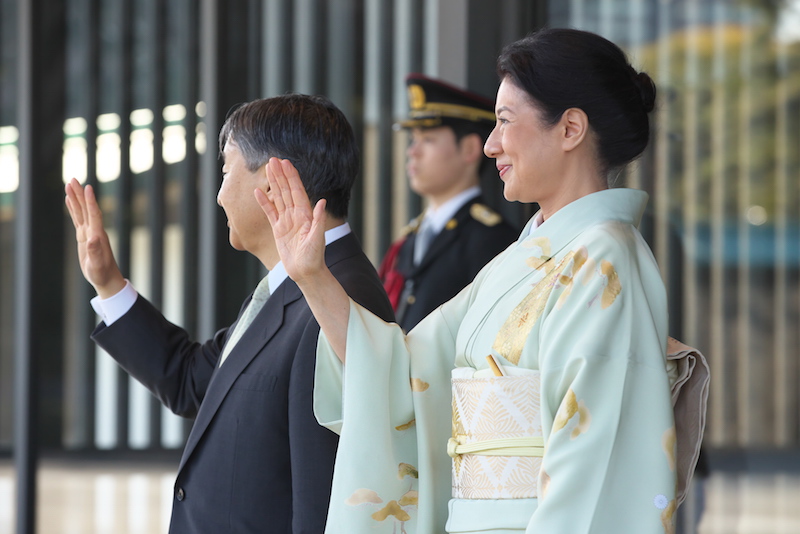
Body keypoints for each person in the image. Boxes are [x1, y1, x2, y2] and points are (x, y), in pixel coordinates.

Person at [256, 28, 707, 534]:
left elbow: (593, 471)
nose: (491, 144)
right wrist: (312, 277)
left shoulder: (604, 260)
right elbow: (404, 373)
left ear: (570, 129)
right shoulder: (522, 260)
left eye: (504, 121)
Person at [64, 94, 395, 533]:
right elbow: (190, 380)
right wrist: (108, 283)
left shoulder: (335, 300)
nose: (219, 197)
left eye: (226, 169)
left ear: (276, 181)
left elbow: (325, 499)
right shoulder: (290, 288)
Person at [378, 74, 518, 330]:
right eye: (413, 140)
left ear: (469, 149)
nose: (413, 151)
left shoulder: (491, 240)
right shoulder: (412, 237)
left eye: (428, 140)